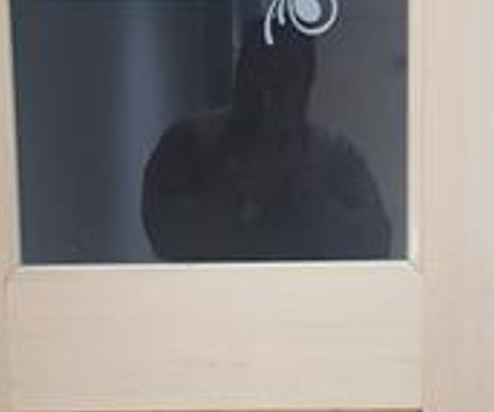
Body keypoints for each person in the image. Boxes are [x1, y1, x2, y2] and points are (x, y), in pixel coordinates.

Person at [141, 20, 392, 261]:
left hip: (307, 290)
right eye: (258, 71)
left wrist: (304, 192)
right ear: (239, 73)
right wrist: (233, 195)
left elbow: (374, 243)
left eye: (283, 77)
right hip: (211, 290)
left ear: (305, 83)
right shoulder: (189, 142)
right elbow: (164, 236)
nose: (266, 92)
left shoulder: (335, 157)